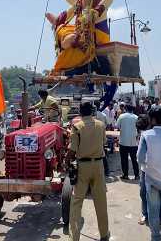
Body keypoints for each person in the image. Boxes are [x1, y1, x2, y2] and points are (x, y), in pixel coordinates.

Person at [67, 102, 110, 241]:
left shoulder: (77, 127)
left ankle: (75, 238)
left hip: (82, 167)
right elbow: (103, 143)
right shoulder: (101, 125)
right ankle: (104, 235)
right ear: (92, 112)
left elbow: (72, 151)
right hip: (98, 165)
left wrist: (66, 162)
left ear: (80, 112)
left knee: (76, 202)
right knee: (101, 201)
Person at [137, 106, 161, 241]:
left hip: (152, 179)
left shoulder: (146, 135)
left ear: (152, 120)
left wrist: (149, 165)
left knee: (153, 210)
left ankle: (155, 237)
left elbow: (140, 158)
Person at [117, 104, 139, 180]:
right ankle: (137, 175)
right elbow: (139, 128)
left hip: (123, 141)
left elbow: (117, 126)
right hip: (133, 142)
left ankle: (125, 175)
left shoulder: (121, 116)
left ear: (125, 109)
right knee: (134, 159)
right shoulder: (136, 117)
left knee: (124, 159)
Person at [135, 115, 151, 226]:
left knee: (153, 193)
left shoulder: (151, 135)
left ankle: (158, 215)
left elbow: (139, 157)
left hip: (152, 168)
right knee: (143, 192)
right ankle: (145, 214)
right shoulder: (140, 135)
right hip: (144, 169)